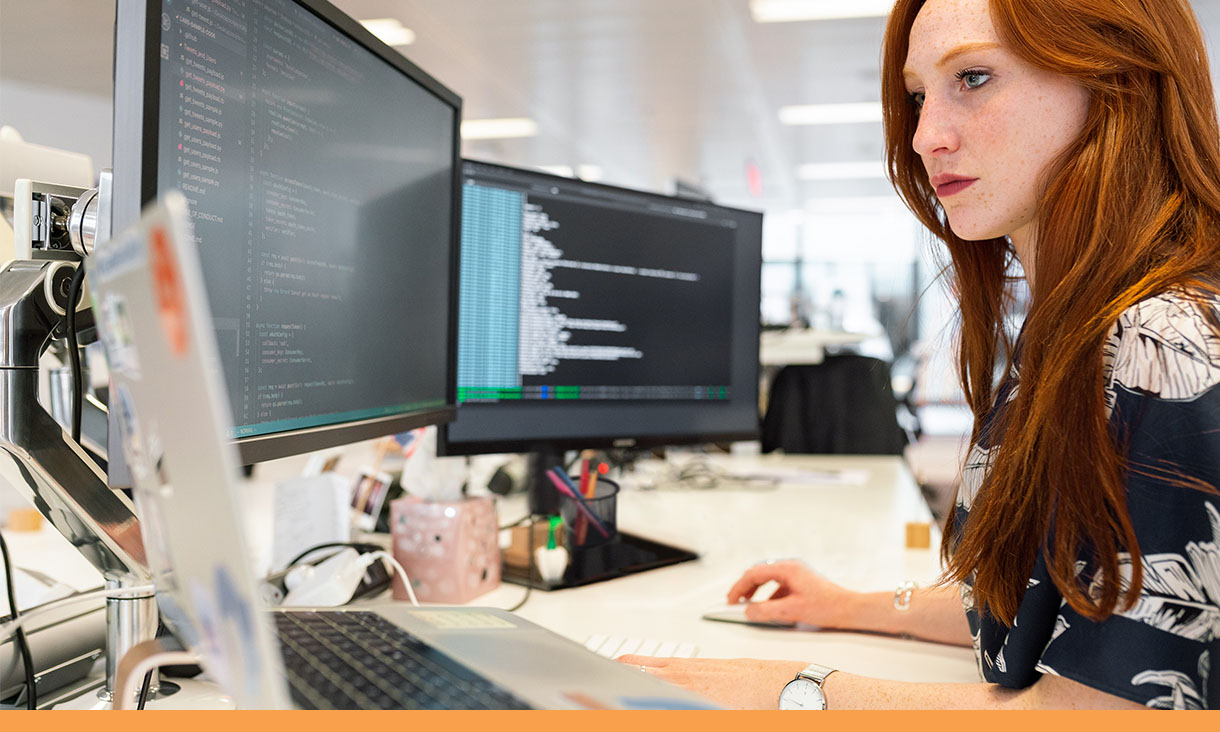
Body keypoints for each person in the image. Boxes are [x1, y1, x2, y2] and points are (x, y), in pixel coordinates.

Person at [619, 0, 1220, 709]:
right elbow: (1051, 604)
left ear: (1117, 79)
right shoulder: (1080, 327)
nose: (924, 136)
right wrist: (852, 605)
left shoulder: (1165, 341)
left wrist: (792, 691)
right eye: (916, 96)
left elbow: (1110, 718)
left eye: (972, 77)